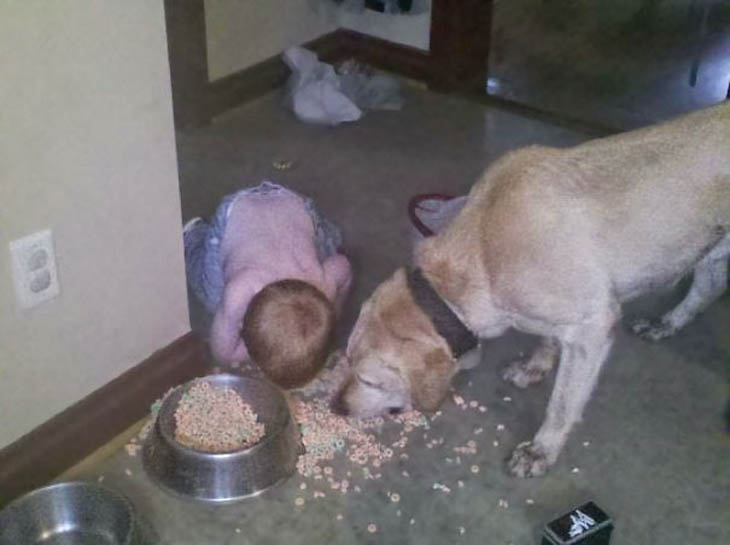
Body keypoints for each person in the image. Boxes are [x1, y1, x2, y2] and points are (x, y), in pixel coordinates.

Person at [184, 181, 352, 389]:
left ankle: (327, 233)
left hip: (294, 204)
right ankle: (193, 235)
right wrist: (253, 352)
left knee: (328, 242)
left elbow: (343, 265)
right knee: (211, 293)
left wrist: (333, 312)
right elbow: (223, 353)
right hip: (236, 214)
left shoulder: (325, 285)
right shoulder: (241, 288)